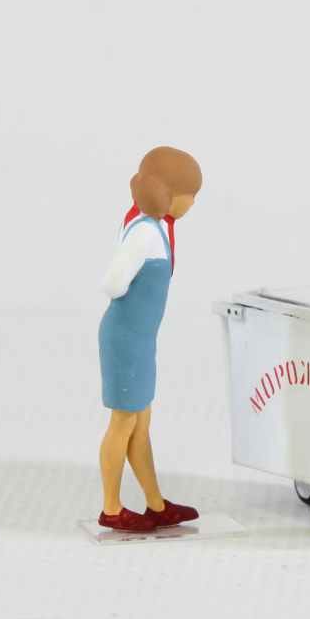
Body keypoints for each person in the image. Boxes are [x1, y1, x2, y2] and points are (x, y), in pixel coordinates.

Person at [96, 147, 203, 532]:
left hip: (140, 341)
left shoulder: (153, 227)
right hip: (126, 340)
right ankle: (111, 509)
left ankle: (155, 504)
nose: (193, 203)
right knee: (123, 422)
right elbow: (112, 283)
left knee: (140, 423)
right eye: (189, 195)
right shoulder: (144, 232)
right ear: (168, 194)